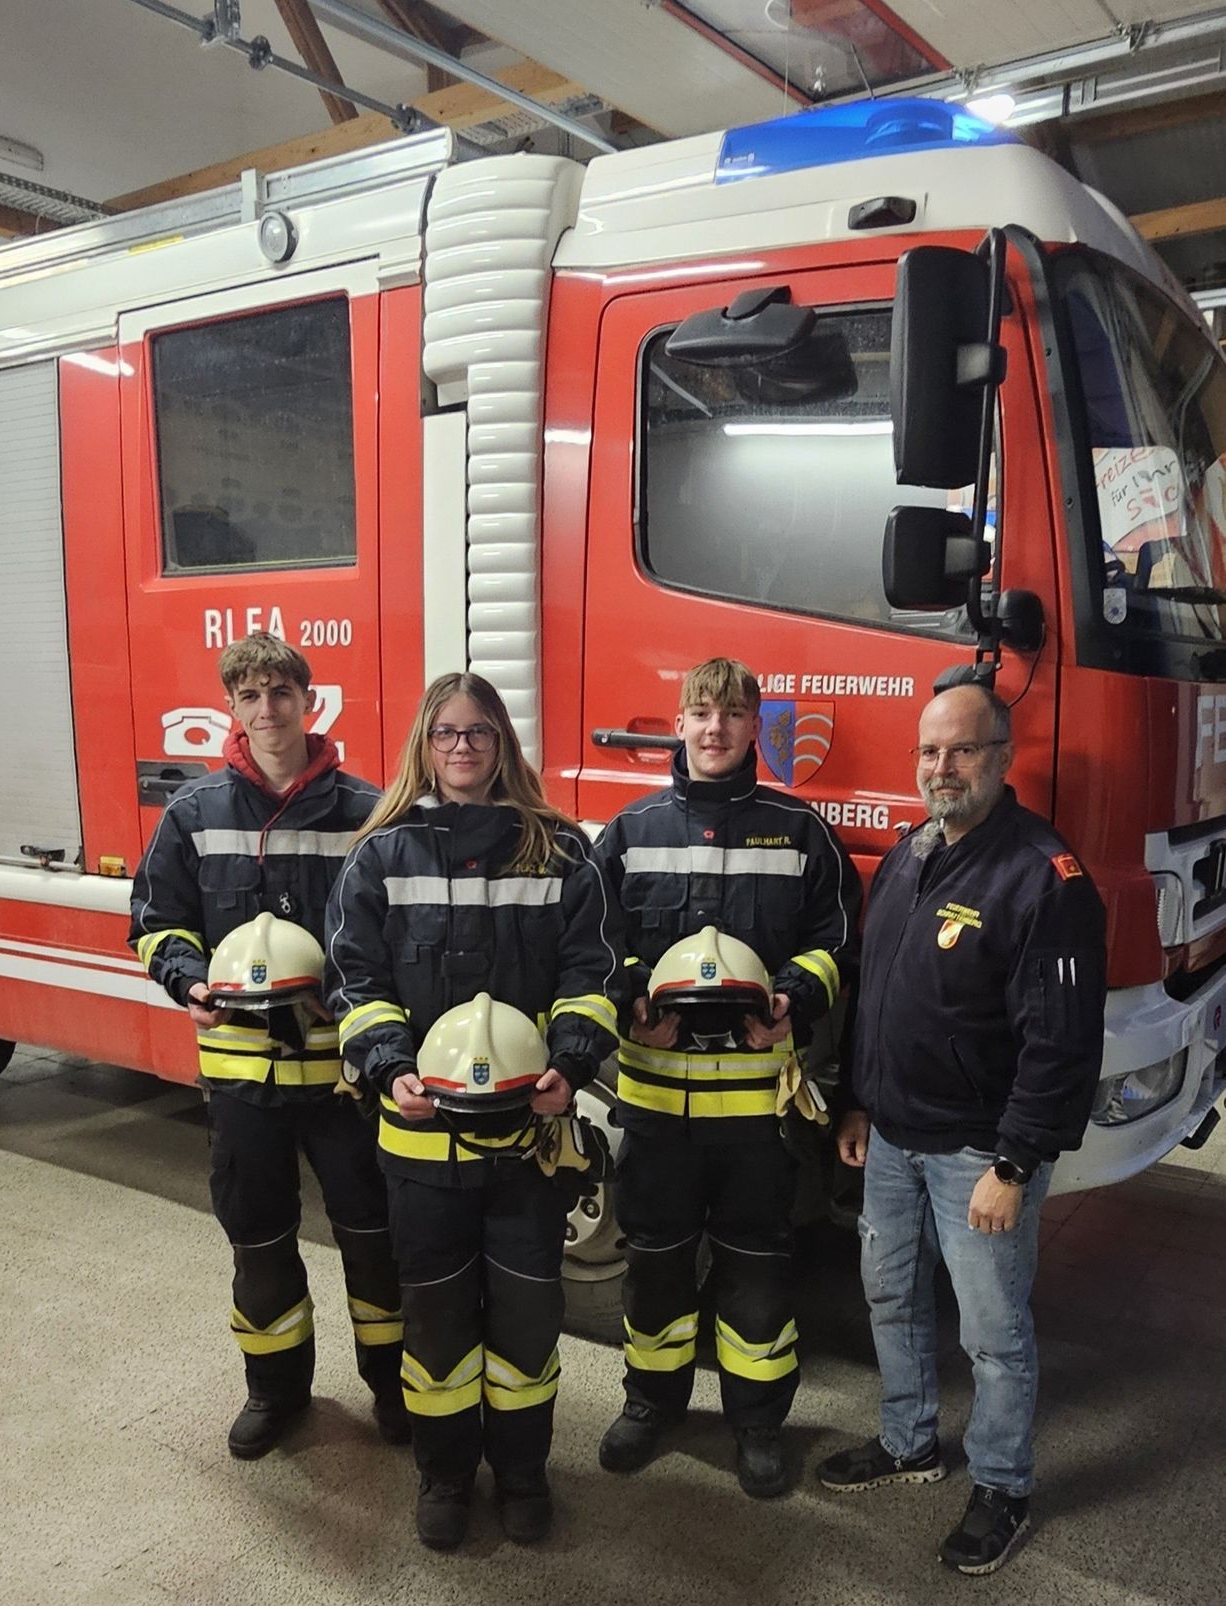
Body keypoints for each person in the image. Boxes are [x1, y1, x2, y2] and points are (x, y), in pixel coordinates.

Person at [325, 671, 624, 1550]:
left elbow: (592, 974)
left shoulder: (560, 849)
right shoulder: (381, 853)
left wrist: (572, 1064)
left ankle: (524, 1474)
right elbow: (356, 982)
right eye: (447, 733)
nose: (462, 748)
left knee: (529, 1323)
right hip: (419, 1151)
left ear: (503, 745)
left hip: (529, 1144)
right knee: (438, 1323)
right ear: (426, 743)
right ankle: (446, 1476)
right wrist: (387, 1069)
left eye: (480, 733)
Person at [817, 683, 1106, 1575]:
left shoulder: (1044, 879)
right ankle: (908, 1444)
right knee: (894, 1298)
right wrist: (858, 1099)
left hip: (979, 1152)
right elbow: (875, 998)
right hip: (893, 1139)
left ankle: (1003, 1488)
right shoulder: (910, 855)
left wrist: (1014, 1165)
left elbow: (1060, 1045)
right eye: (929, 753)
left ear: (1001, 756)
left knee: (992, 1331)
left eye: (963, 751)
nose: (942, 769)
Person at [129, 634, 404, 1459]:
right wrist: (187, 980)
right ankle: (275, 1390)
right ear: (232, 709)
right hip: (243, 1079)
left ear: (308, 701)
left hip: (345, 1079)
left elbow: (396, 928)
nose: (267, 709)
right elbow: (154, 922)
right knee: (258, 1239)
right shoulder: (193, 814)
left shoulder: (366, 811)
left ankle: (394, 1390)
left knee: (374, 1235)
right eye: (249, 695)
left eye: (281, 692)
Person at [594, 658, 860, 1498]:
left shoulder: (800, 830)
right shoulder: (631, 831)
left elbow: (839, 940)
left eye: (733, 714)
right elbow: (594, 941)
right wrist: (632, 993)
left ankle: (756, 1424)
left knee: (757, 1271)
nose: (716, 729)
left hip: (755, 1112)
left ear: (755, 729)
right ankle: (652, 1404)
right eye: (701, 713)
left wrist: (795, 997)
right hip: (656, 1110)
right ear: (678, 724)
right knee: (656, 1266)